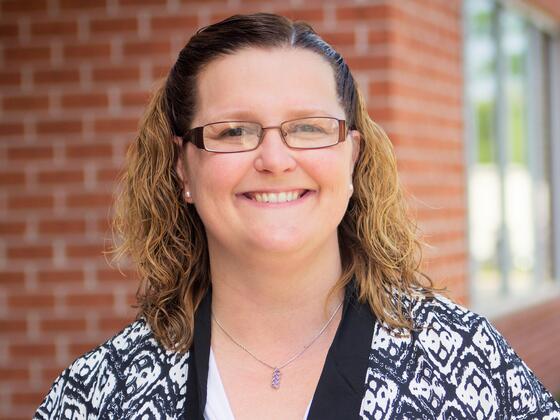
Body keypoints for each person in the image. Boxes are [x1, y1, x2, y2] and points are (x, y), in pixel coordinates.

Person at [35, 13, 559, 420]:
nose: (275, 159)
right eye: (234, 131)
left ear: (353, 158)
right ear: (182, 170)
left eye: (308, 128)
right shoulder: (100, 391)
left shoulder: (467, 362)